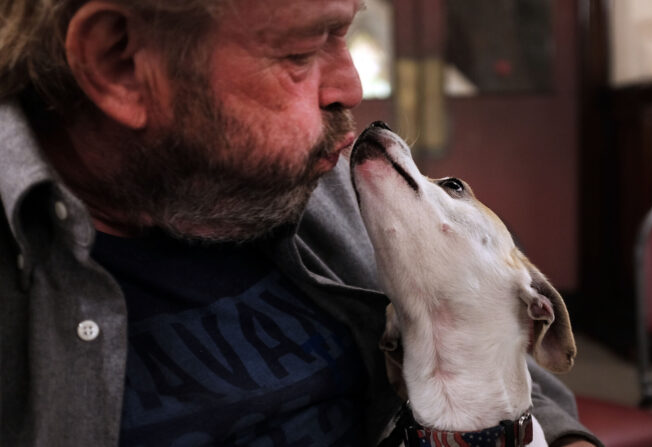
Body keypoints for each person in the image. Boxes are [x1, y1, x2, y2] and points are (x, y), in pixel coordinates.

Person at [0, 0, 601, 445]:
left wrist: (562, 438)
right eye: (300, 51)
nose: (352, 87)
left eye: (347, 32)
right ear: (120, 62)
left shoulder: (313, 172)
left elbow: (490, 340)